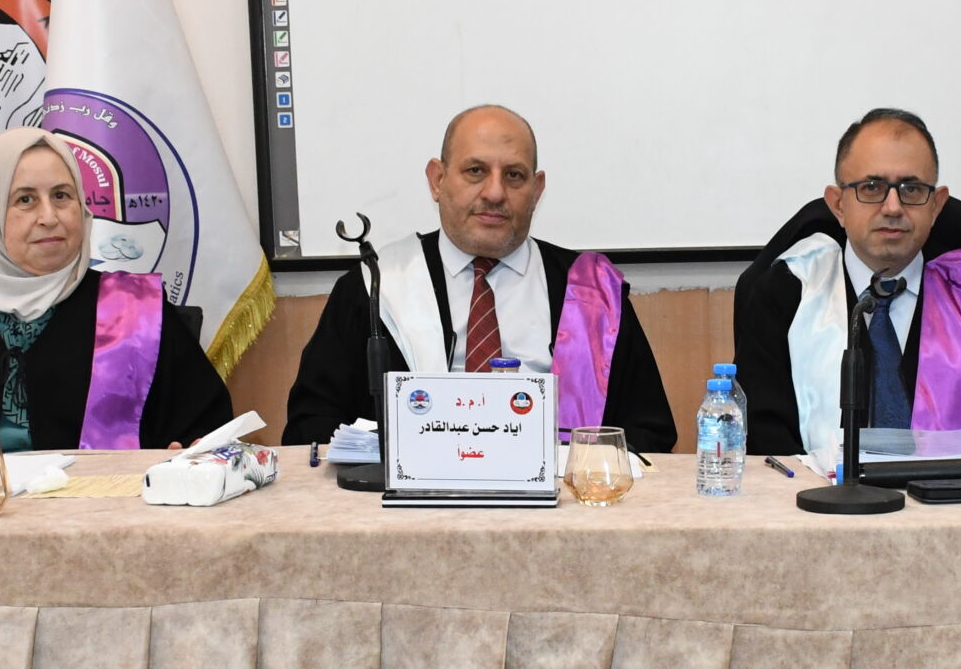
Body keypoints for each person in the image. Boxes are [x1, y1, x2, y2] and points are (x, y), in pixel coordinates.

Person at [282, 105, 676, 452]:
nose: (495, 192)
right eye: (476, 171)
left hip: (561, 504)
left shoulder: (591, 293)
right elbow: (310, 429)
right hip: (409, 508)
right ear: (437, 180)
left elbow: (649, 432)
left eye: (515, 176)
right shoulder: (374, 288)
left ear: (537, 190)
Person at [0, 125, 233, 450]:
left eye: (62, 195)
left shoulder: (137, 313)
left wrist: (187, 460)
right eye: (25, 199)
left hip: (109, 499)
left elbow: (208, 433)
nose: (49, 217)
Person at [734, 107, 961, 457]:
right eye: (872, 187)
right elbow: (762, 438)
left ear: (936, 205)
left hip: (960, 493)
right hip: (819, 492)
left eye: (912, 189)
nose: (893, 207)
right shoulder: (788, 291)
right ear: (838, 204)